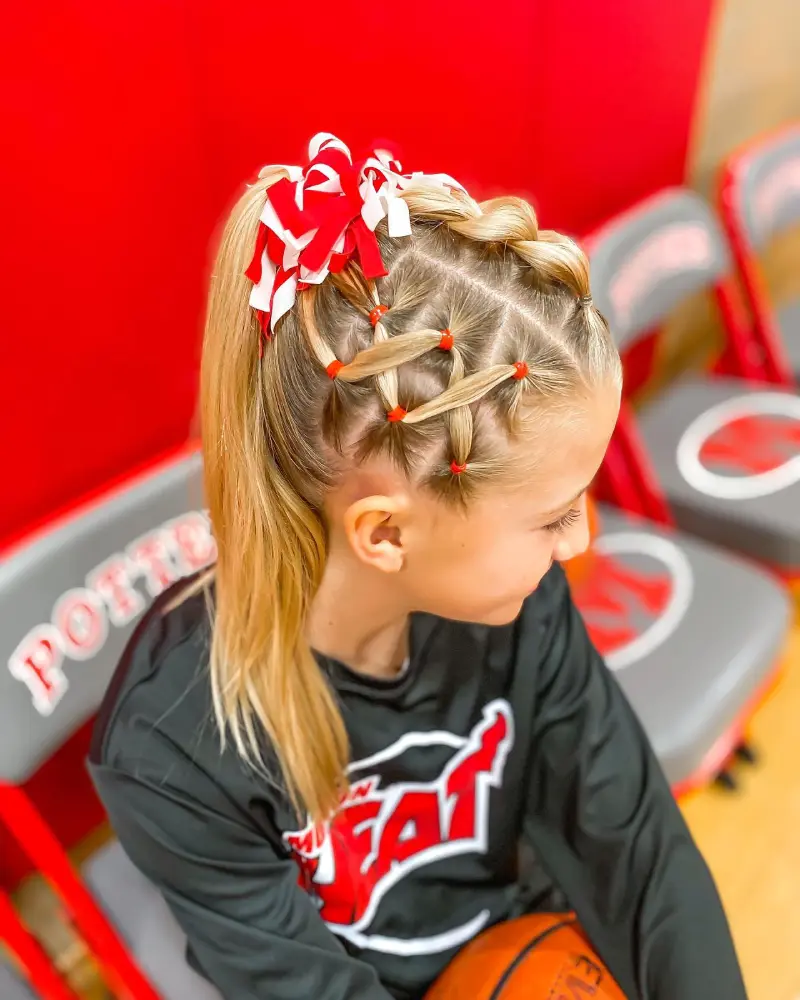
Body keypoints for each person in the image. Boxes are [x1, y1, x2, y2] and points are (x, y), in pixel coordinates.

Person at [90, 133, 747, 1000]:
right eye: (552, 516)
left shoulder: (521, 603)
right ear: (387, 535)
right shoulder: (173, 742)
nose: (580, 543)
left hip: (527, 938)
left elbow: (638, 846)